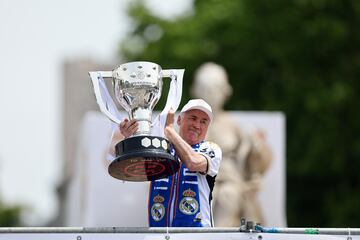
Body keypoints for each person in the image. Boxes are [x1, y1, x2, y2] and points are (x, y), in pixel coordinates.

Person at [109, 99, 222, 227]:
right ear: (179, 120)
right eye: (193, 118)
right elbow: (125, 165)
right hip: (159, 235)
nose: (197, 125)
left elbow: (193, 162)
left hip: (197, 236)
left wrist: (169, 130)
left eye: (203, 122)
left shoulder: (211, 149)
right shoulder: (161, 148)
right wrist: (128, 138)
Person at [191, 62, 272, 226]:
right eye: (205, 88)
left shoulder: (232, 125)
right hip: (194, 179)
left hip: (229, 180)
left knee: (229, 195)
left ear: (224, 92)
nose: (210, 94)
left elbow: (256, 159)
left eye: (214, 89)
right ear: (196, 90)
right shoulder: (186, 122)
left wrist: (257, 148)